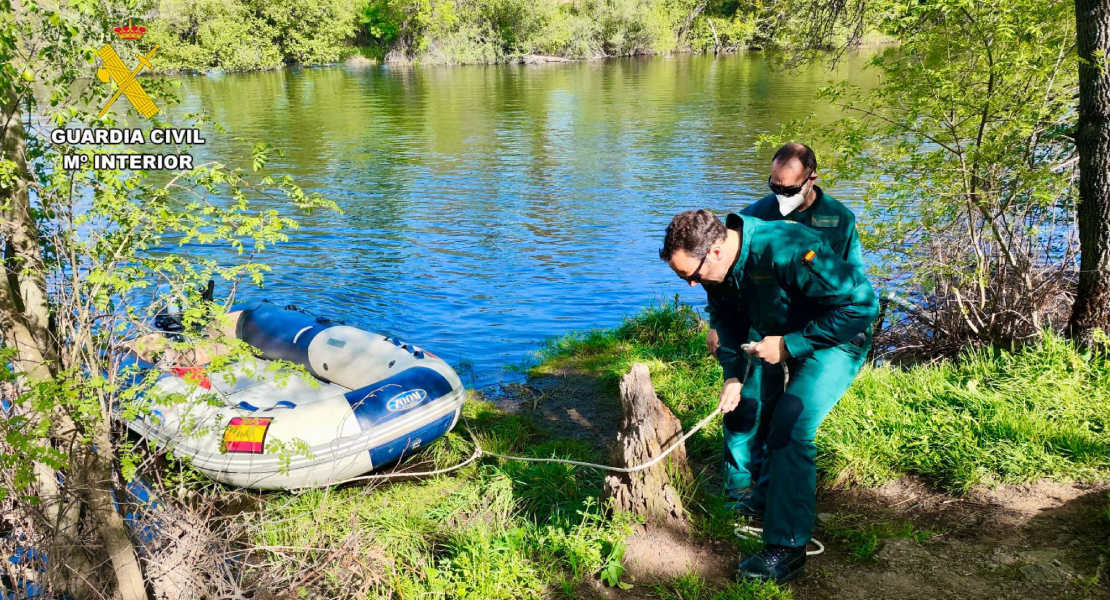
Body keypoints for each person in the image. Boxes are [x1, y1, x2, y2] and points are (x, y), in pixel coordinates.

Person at [660, 209, 878, 582]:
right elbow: (727, 318)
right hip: (780, 338)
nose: (692, 285)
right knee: (761, 411)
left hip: (835, 341)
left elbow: (862, 306)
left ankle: (787, 549)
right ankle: (765, 500)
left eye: (690, 276)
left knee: (790, 430)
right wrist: (732, 377)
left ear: (713, 252)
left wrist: (792, 345)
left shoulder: (789, 248)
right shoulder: (718, 269)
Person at [707, 143, 869, 516]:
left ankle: (772, 493)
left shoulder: (838, 219)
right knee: (746, 402)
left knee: (789, 419)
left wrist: (805, 340)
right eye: (773, 186)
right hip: (760, 322)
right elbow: (724, 271)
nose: (779, 197)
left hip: (813, 330)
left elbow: (851, 286)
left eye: (788, 189)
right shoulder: (757, 214)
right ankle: (739, 486)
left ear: (811, 179)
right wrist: (718, 324)